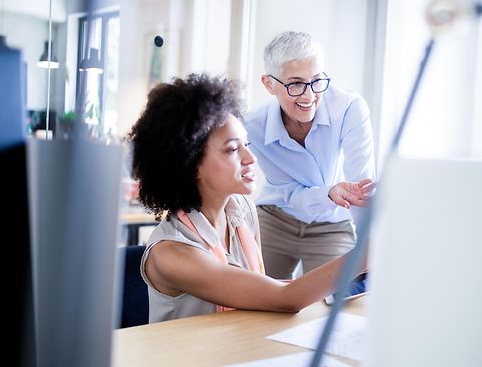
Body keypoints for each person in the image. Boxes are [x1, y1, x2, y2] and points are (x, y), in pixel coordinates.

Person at [128, 73, 366, 322]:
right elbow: (285, 298)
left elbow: (262, 287)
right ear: (190, 162)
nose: (250, 158)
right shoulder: (172, 253)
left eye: (246, 144)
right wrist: (368, 253)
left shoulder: (242, 209)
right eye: (232, 149)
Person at [245, 31, 376, 279]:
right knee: (254, 299)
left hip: (332, 224)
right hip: (276, 218)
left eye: (316, 81)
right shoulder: (253, 127)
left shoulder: (348, 108)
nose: (309, 96)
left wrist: (369, 250)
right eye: (295, 84)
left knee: (333, 305)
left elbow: (362, 190)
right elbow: (289, 193)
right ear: (269, 83)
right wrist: (328, 192)